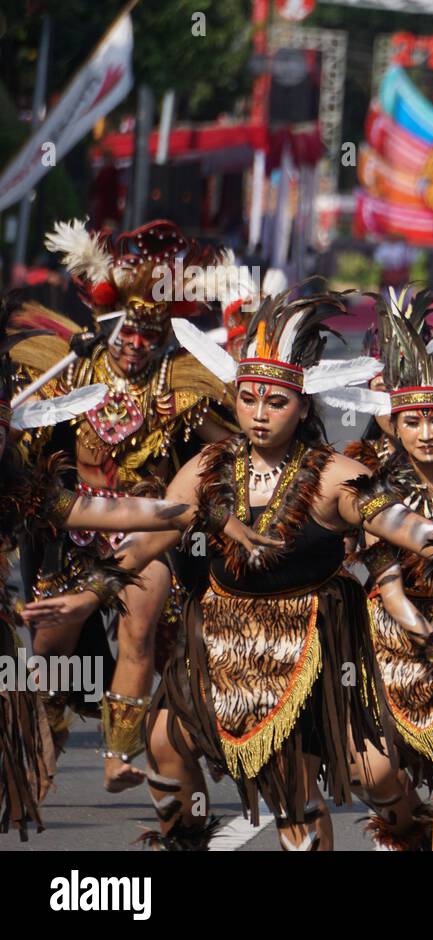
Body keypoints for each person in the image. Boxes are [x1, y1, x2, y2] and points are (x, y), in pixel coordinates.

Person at [78, 289, 433, 850]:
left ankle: (410, 830)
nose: (258, 413)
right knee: (164, 744)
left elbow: (391, 519)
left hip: (307, 646)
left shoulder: (331, 474)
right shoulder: (210, 465)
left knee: (326, 785)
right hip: (219, 637)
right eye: (248, 398)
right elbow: (150, 537)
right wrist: (88, 592)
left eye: (274, 402)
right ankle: (186, 838)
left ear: (301, 407)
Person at [17, 219, 238, 792]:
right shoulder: (66, 369)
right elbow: (23, 443)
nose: (138, 345)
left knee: (141, 624)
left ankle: (119, 753)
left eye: (150, 335)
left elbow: (233, 444)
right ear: (107, 326)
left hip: (145, 531)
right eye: (128, 335)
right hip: (73, 527)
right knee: (50, 646)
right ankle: (48, 730)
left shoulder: (181, 383)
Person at [325, 288, 433, 850]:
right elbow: (388, 587)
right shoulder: (367, 478)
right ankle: (410, 830)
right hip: (386, 643)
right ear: (392, 422)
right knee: (367, 774)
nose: (426, 434)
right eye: (414, 420)